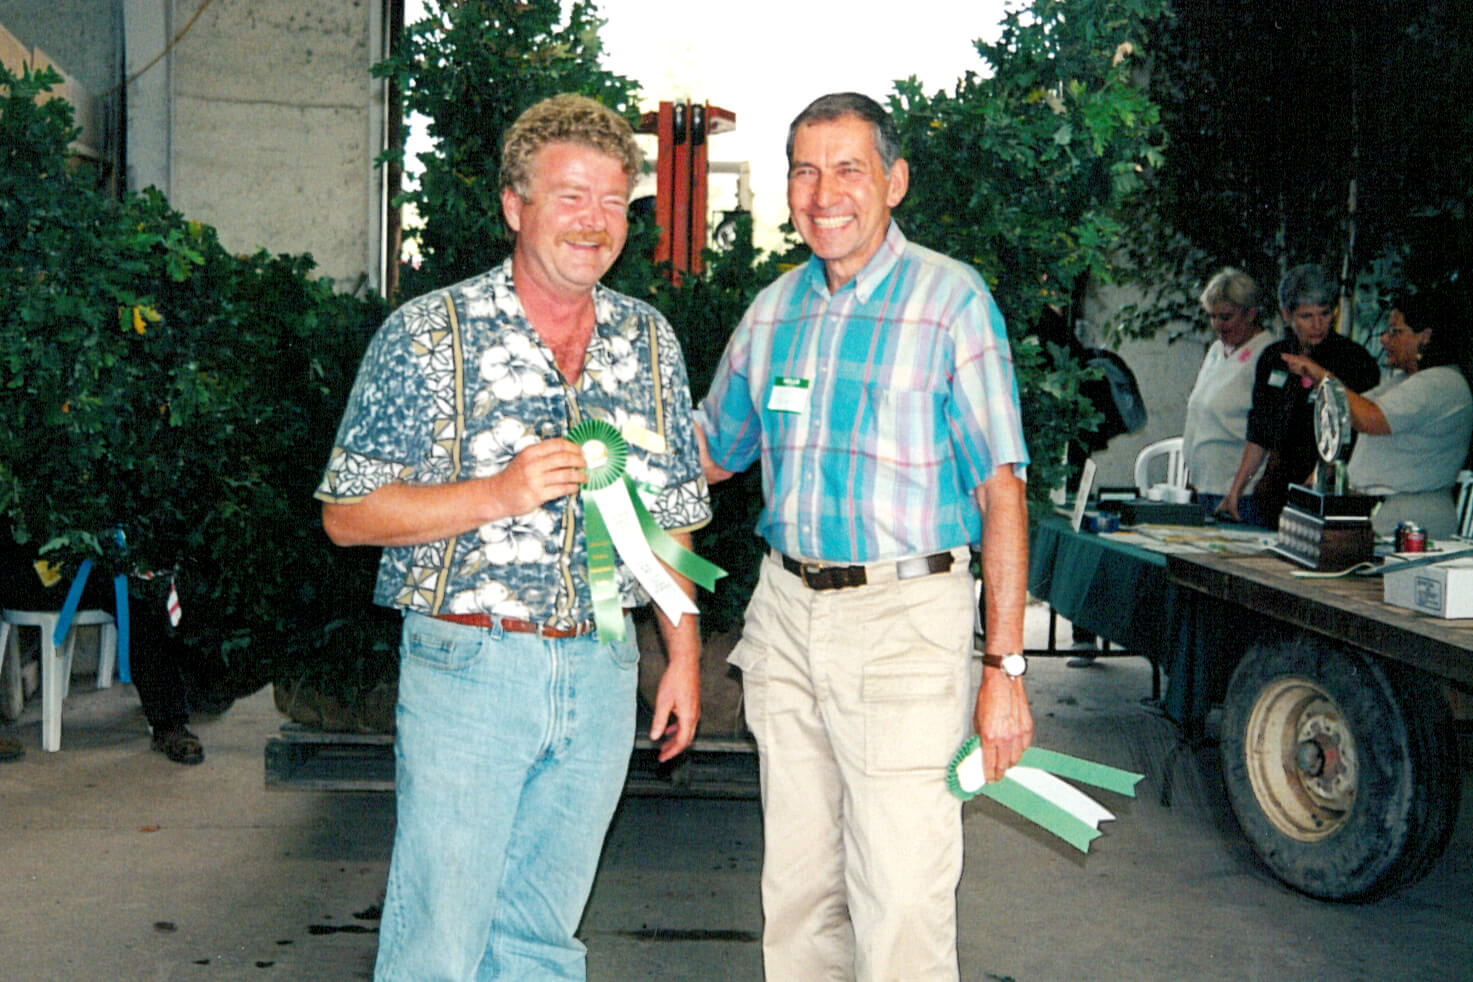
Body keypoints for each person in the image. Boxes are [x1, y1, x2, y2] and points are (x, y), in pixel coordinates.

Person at [317, 94, 710, 981]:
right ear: (513, 205)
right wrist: (494, 493)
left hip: (603, 671)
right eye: (570, 196)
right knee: (438, 938)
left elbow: (672, 515)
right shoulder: (424, 334)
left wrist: (678, 656)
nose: (594, 222)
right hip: (469, 667)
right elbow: (347, 514)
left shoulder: (649, 341)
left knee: (543, 939)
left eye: (613, 202)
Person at [697, 92, 1033, 982]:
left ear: (894, 181)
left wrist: (1004, 669)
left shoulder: (949, 302)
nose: (822, 193)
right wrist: (588, 447)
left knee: (900, 897)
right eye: (804, 170)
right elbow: (710, 453)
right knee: (797, 895)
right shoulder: (773, 311)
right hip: (785, 617)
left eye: (848, 168)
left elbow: (1003, 492)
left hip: (904, 620)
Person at [1282, 287, 1473, 539]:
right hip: (1381, 517)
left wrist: (1322, 376)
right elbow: (1348, 414)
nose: (1383, 339)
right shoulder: (1403, 380)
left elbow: (1369, 418)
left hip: (1410, 525)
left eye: (1394, 331)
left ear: (1425, 337)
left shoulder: (1441, 383)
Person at [1220, 264, 1380, 527]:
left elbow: (1358, 433)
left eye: (1325, 314)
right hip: (1277, 488)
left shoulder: (1355, 361)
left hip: (1330, 491)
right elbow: (1259, 433)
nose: (1318, 325)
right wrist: (1237, 488)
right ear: (1287, 315)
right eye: (1307, 316)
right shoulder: (1273, 358)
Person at [1183, 267, 1275, 525]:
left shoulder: (1266, 354)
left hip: (1238, 493)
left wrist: (1237, 489)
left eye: (1225, 317)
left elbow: (1264, 431)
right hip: (1204, 485)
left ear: (1251, 314)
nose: (1217, 326)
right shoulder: (1216, 350)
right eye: (1212, 317)